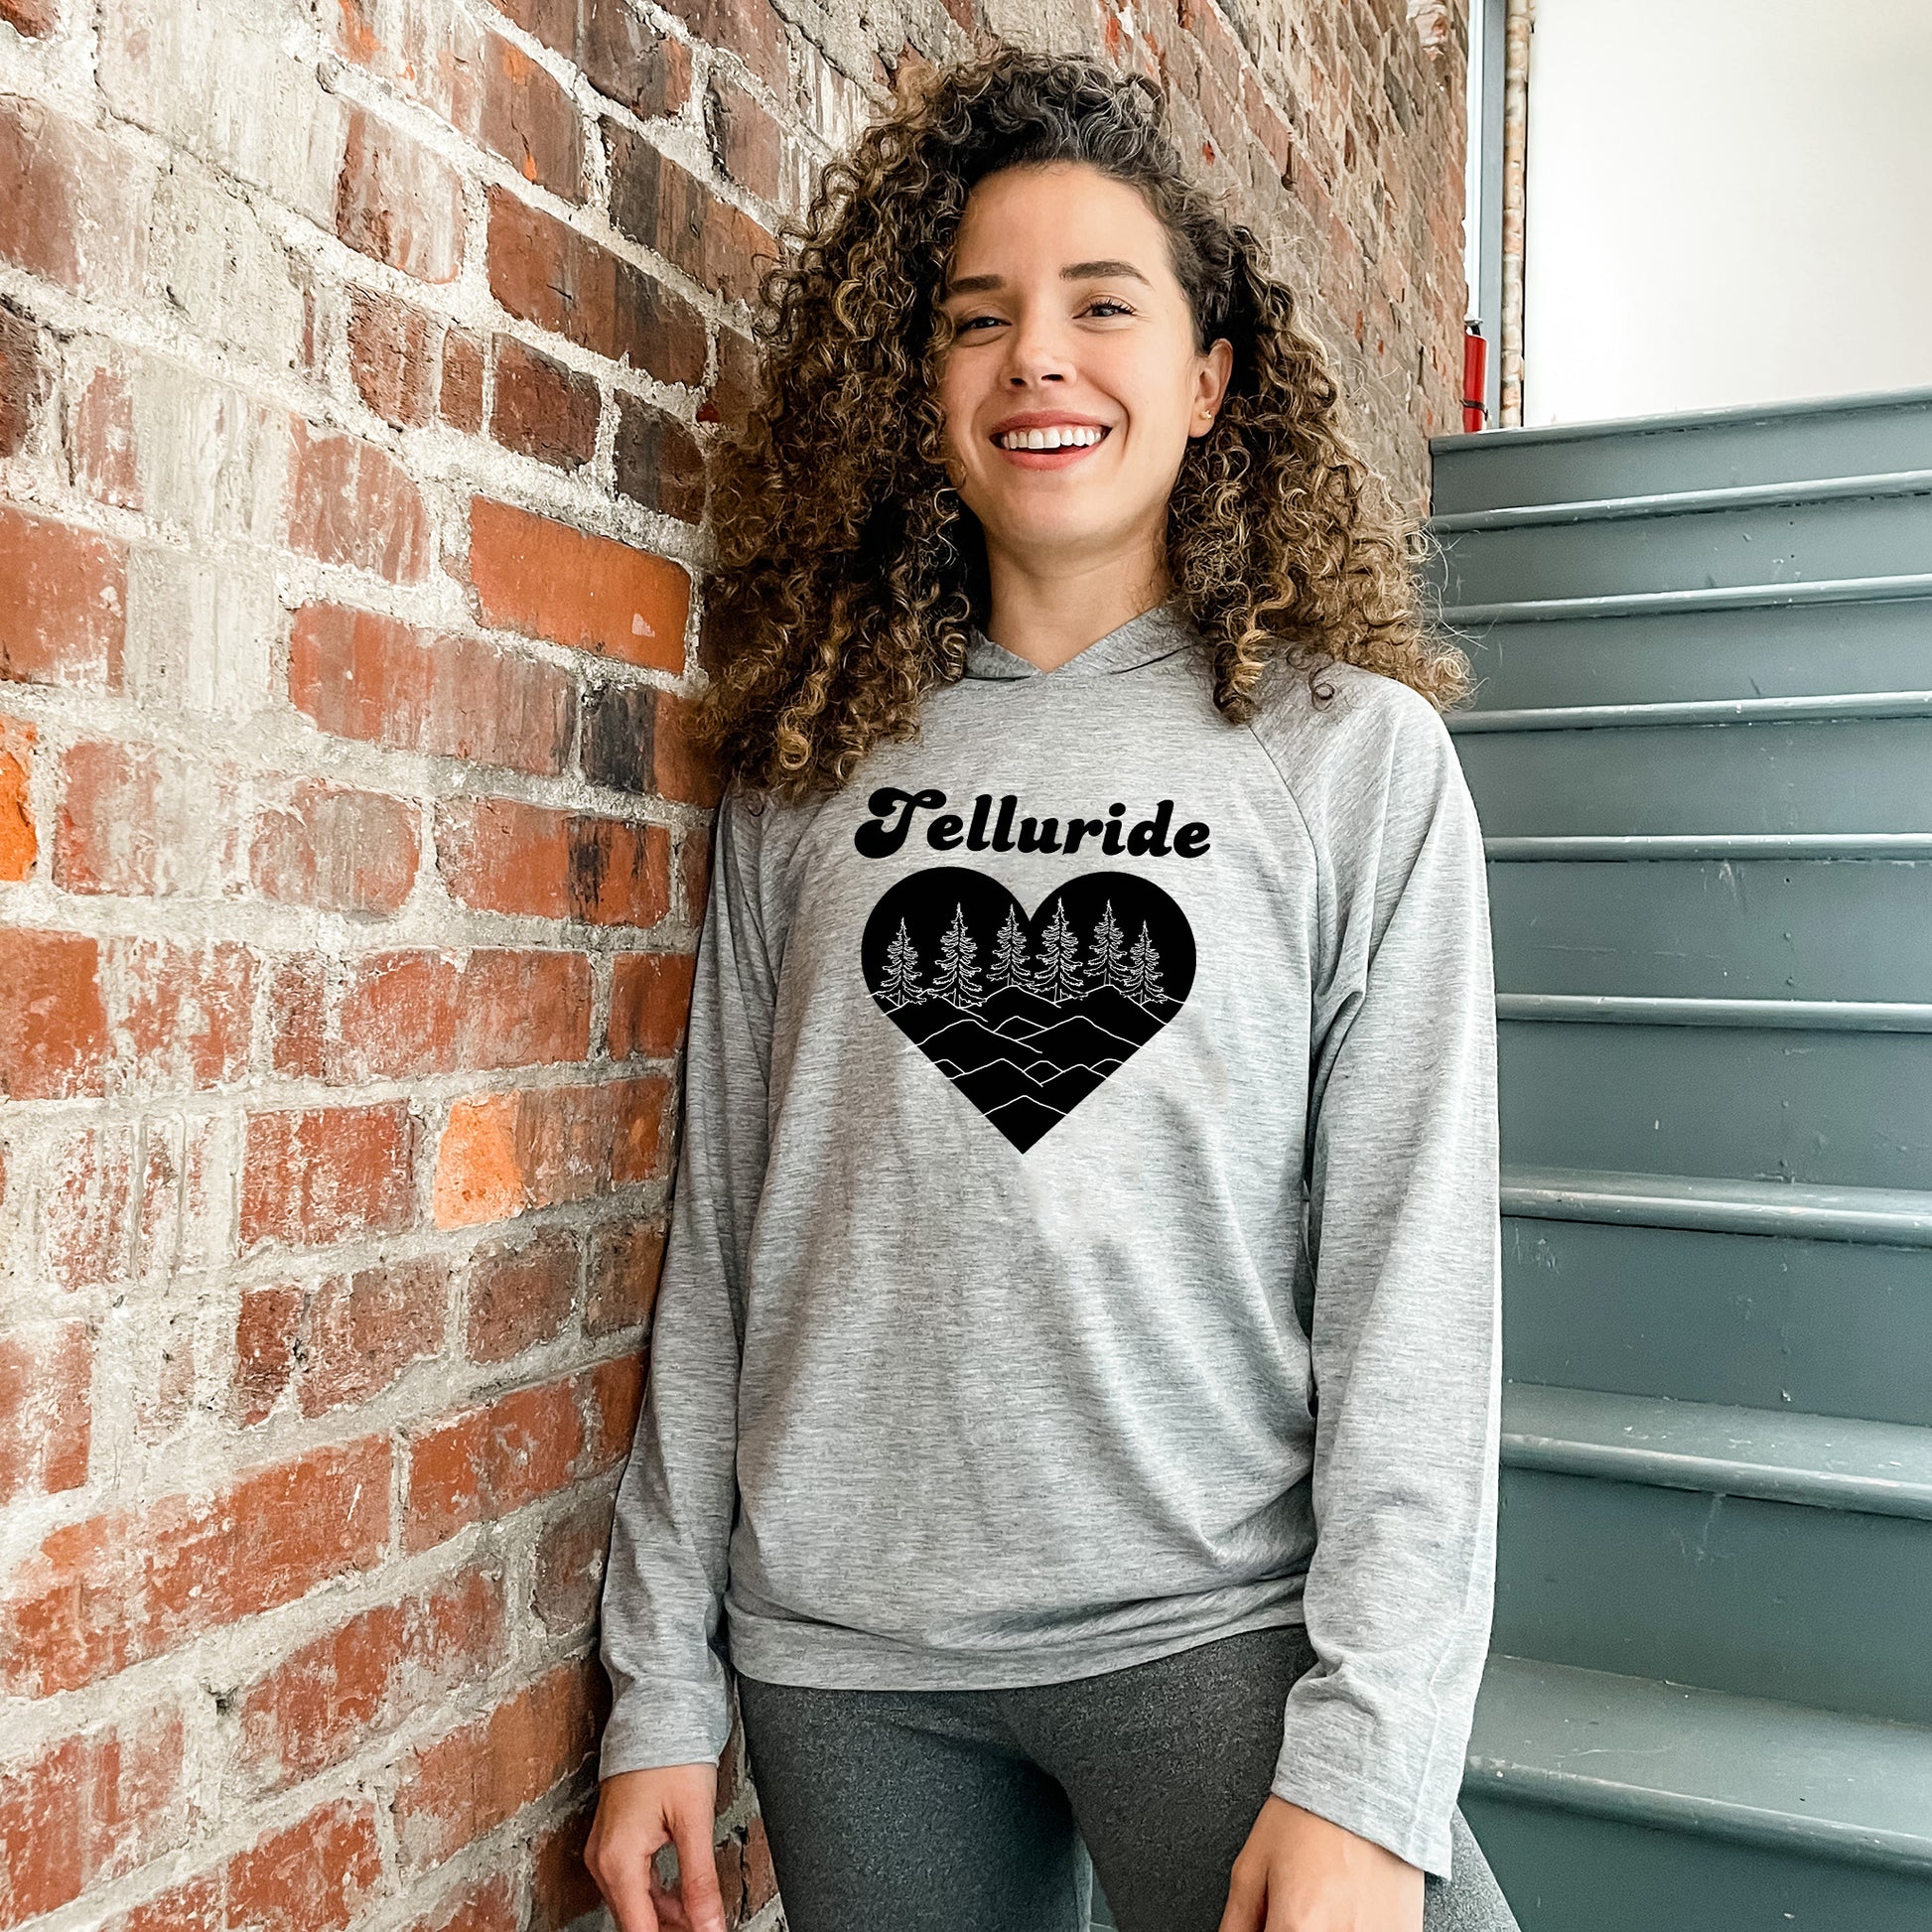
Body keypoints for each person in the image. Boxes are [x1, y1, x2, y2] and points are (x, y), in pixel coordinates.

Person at [585, 42, 1518, 1932]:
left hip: (1211, 1630)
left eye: (1105, 306)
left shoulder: (1353, 758)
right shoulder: (805, 764)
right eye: (977, 317)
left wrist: (1369, 1754)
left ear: (1206, 377)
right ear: (919, 385)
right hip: (851, 1664)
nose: (1038, 360)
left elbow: (1416, 1281)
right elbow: (726, 1236)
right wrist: (659, 1682)